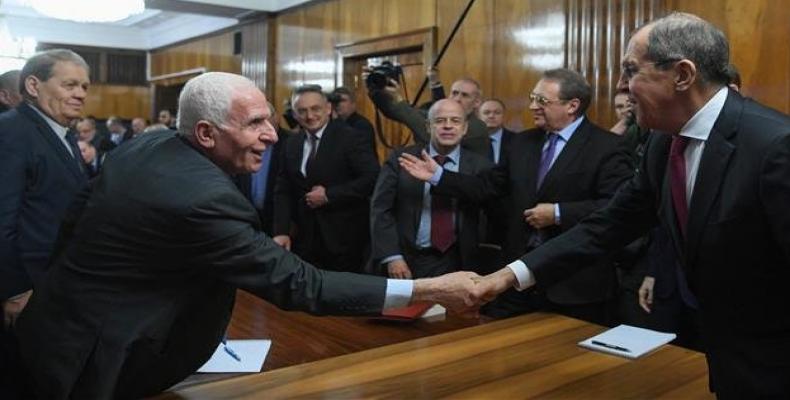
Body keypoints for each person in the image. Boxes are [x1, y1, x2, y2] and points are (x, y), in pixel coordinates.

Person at [15, 72, 487, 399]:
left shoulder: (149, 146)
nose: (274, 135)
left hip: (54, 325)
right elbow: (303, 285)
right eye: (255, 124)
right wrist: (428, 289)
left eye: (268, 118)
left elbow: (74, 218)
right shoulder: (200, 198)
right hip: (93, 362)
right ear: (204, 132)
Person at [472, 13, 790, 397]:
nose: (620, 86)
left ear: (682, 75)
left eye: (629, 71)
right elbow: (607, 225)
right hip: (727, 358)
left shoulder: (774, 147)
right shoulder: (663, 142)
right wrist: (508, 276)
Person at [403, 68, 633, 324]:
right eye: (532, 98)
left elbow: (617, 208)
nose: (533, 106)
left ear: (572, 105)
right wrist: (439, 176)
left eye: (542, 101)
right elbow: (488, 187)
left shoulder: (607, 146)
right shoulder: (523, 143)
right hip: (516, 279)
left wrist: (558, 213)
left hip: (574, 283)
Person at [0, 49, 90, 398]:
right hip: (25, 291)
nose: (80, 93)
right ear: (33, 85)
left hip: (55, 290)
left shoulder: (61, 134)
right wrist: (13, 289)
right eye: (69, 84)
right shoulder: (11, 131)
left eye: (84, 85)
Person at [370, 99, 493, 278]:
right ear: (428, 127)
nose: (448, 126)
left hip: (458, 262)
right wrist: (392, 256)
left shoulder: (481, 167)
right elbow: (381, 209)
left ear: (465, 128)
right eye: (440, 120)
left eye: (455, 121)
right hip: (407, 260)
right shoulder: (402, 158)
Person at [272, 85, 379, 273]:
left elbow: (372, 178)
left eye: (315, 109)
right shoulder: (291, 144)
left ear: (328, 109)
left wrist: (330, 195)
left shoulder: (350, 137)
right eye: (302, 111)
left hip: (345, 238)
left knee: (344, 298)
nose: (309, 116)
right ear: (294, 114)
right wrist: (281, 231)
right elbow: (283, 189)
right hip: (304, 239)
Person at [368, 75, 489, 156]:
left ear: (477, 102)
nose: (457, 99)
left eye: (465, 95)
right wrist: (375, 89)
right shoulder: (433, 115)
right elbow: (395, 112)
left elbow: (431, 135)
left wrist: (399, 99)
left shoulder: (478, 127)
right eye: (454, 93)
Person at [330, 86, 376, 155]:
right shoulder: (330, 123)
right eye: (335, 101)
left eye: (342, 100)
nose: (338, 104)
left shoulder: (362, 125)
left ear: (353, 104)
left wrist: (336, 122)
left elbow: (352, 149)